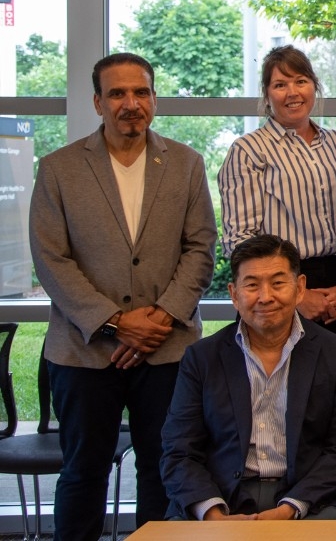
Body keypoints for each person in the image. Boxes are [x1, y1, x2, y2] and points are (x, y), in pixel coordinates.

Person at [30, 53, 216, 541]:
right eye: (117, 93)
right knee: (83, 473)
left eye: (141, 92)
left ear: (153, 99)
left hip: (166, 348)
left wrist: (158, 318)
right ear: (98, 102)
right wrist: (116, 322)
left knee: (164, 471)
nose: (130, 103)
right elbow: (51, 260)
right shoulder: (59, 169)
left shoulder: (187, 164)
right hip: (84, 352)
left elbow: (201, 248)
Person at [160, 234, 336, 521]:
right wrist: (214, 515)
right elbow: (179, 451)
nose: (265, 296)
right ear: (234, 294)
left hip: (309, 499)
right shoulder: (202, 358)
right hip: (222, 497)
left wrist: (289, 509)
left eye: (278, 283)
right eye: (252, 285)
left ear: (300, 288)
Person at [219, 44, 336, 340]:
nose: (292, 93)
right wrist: (296, 294)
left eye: (301, 81)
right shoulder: (248, 151)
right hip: (277, 290)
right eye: (280, 85)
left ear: (314, 87)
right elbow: (239, 241)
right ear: (267, 96)